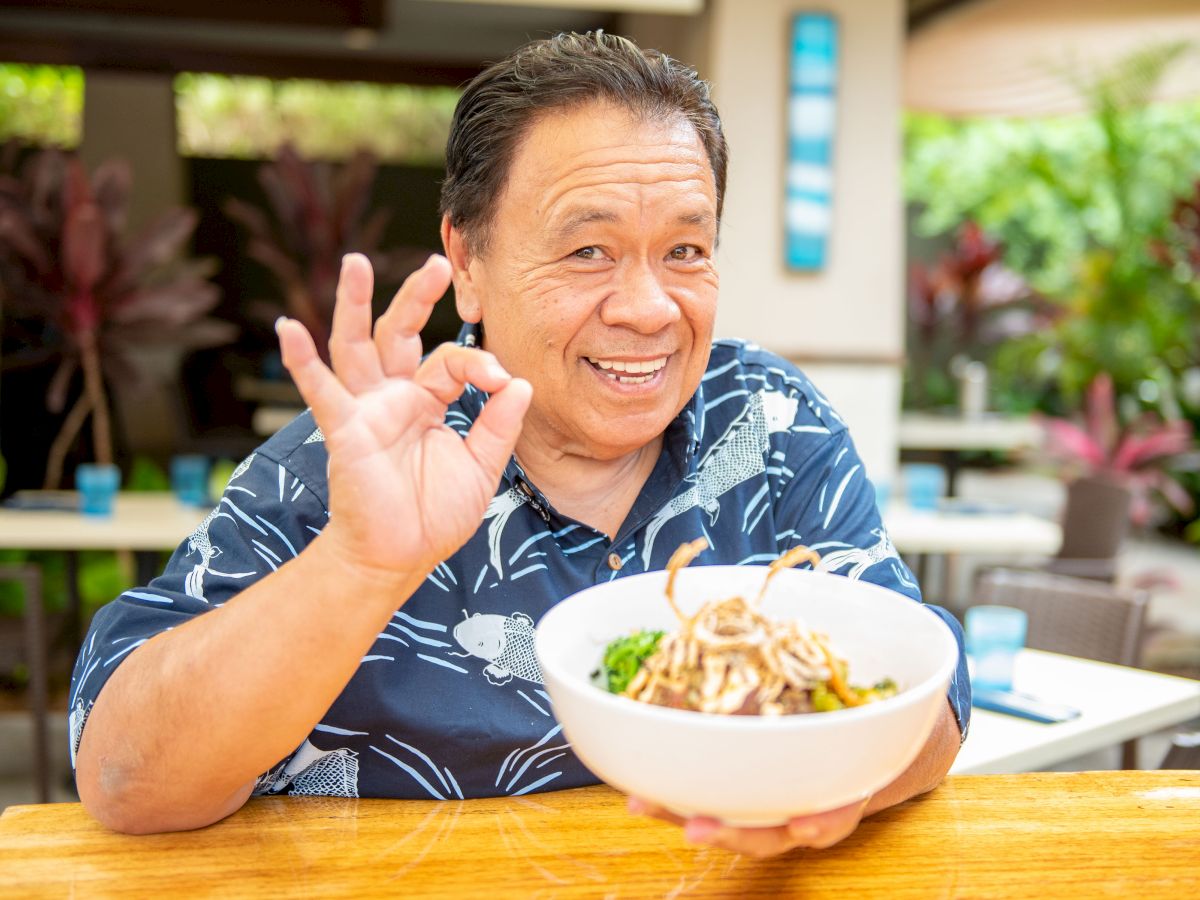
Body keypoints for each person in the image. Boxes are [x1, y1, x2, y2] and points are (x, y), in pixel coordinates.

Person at [71, 31, 970, 856]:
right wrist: (357, 565)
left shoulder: (769, 420)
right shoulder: (358, 457)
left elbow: (930, 693)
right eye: (588, 251)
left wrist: (841, 781)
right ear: (468, 261)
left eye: (687, 250)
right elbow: (123, 781)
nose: (650, 307)